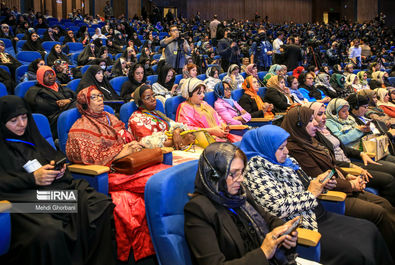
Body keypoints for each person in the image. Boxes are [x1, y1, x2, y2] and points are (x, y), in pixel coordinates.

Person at [240, 125, 394, 265]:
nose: (286, 152)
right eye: (281, 148)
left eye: (286, 146)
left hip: (317, 212)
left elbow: (305, 183)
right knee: (357, 252)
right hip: (303, 224)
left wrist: (321, 182)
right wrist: (311, 193)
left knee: (369, 229)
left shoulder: (287, 160)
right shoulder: (256, 171)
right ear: (266, 147)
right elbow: (276, 208)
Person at [0, 95, 116, 265]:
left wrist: (59, 171)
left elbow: (56, 159)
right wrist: (32, 179)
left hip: (54, 190)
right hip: (20, 200)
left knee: (99, 204)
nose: (22, 124)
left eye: (24, 117)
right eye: (13, 120)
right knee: (50, 232)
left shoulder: (31, 135)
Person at [66, 86, 170, 262]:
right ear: (85, 104)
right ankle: (142, 255)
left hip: (131, 165)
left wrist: (133, 146)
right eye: (94, 97)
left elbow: (128, 138)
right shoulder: (81, 127)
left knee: (164, 178)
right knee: (147, 191)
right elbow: (84, 157)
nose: (100, 99)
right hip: (109, 172)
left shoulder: (110, 117)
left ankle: (163, 243)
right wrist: (120, 152)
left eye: (100, 96)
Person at [281, 106, 395, 257]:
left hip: (340, 183)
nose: (315, 123)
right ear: (299, 125)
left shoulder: (310, 139)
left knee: (384, 204)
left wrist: (347, 176)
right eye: (310, 120)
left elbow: (332, 164)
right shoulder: (294, 148)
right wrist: (350, 184)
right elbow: (320, 177)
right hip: (331, 196)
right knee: (379, 212)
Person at [184, 142, 300, 265]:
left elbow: (268, 219)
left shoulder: (239, 194)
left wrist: (286, 233)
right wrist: (263, 253)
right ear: (214, 176)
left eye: (241, 172)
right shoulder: (198, 210)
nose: (240, 179)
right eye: (233, 174)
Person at [307, 101, 395, 206]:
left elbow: (342, 148)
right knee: (388, 178)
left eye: (325, 113)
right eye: (320, 114)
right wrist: (351, 167)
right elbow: (332, 160)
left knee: (391, 169)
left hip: (350, 161)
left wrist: (361, 154)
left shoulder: (326, 128)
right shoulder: (315, 135)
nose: (324, 117)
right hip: (346, 166)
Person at [176, 77, 241, 142]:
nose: (203, 95)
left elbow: (218, 117)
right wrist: (211, 131)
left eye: (203, 92)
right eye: (199, 93)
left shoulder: (204, 103)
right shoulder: (184, 107)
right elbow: (187, 129)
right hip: (203, 141)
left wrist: (224, 126)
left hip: (220, 136)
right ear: (189, 94)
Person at [128, 85, 190, 149]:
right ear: (140, 102)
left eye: (153, 95)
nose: (153, 99)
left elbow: (175, 125)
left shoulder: (156, 113)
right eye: (148, 98)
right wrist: (181, 141)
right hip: (154, 154)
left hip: (172, 147)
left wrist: (176, 131)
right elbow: (149, 145)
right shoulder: (136, 119)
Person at [24, 66, 75, 137]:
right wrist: (62, 104)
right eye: (46, 75)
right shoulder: (34, 91)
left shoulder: (59, 87)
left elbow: (75, 97)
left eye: (52, 74)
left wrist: (69, 101)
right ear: (40, 77)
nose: (50, 77)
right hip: (51, 121)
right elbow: (43, 107)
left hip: (65, 115)